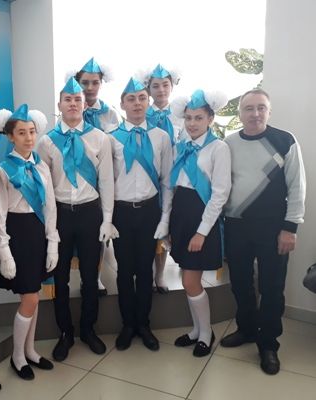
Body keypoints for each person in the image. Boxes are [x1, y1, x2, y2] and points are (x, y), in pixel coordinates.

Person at [220, 89, 306, 374]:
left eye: (261, 108)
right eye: (249, 108)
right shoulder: (228, 143)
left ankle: (268, 344)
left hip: (274, 227)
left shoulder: (285, 141)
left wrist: (290, 227)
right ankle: (246, 329)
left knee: (272, 287)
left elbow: (297, 186)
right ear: (240, 113)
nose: (255, 114)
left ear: (269, 111)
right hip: (236, 225)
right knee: (240, 283)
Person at [37, 77, 117, 361]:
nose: (72, 104)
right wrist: (48, 225)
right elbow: (44, 187)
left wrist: (107, 219)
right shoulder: (46, 141)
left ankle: (88, 329)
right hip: (60, 213)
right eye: (68, 99)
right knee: (59, 277)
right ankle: (65, 332)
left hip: (90, 212)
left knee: (90, 276)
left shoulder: (99, 138)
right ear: (59, 105)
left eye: (77, 100)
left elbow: (106, 181)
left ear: (84, 105)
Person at [0, 104, 59, 380]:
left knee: (35, 295)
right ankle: (17, 355)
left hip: (38, 232)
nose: (29, 138)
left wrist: (52, 242)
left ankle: (30, 350)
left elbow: (50, 206)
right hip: (17, 235)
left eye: (31, 131)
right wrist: (4, 252)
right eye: (21, 132)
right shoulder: (1, 170)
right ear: (10, 136)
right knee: (29, 297)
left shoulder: (41, 166)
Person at [110, 78, 173, 351]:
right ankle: (128, 325)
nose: (137, 103)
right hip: (121, 212)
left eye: (142, 98)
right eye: (131, 99)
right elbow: (105, 182)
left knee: (146, 269)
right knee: (124, 270)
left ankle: (144, 324)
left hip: (149, 211)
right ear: (122, 104)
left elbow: (167, 181)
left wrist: (165, 217)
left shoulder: (161, 137)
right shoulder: (111, 138)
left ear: (148, 102)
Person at [169, 90, 230, 357]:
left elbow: (220, 194)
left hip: (201, 217)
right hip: (181, 215)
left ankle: (206, 333)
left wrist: (202, 232)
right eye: (189, 118)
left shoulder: (218, 148)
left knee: (191, 280)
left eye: (199, 118)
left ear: (210, 119)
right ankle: (196, 330)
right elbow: (174, 185)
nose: (192, 123)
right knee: (187, 279)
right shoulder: (182, 145)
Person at [75, 57, 121, 296]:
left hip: (103, 175)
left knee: (101, 229)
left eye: (95, 82)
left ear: (101, 84)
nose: (90, 88)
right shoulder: (71, 108)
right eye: (85, 83)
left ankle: (96, 276)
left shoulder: (110, 113)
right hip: (79, 178)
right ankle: (86, 276)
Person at [144, 63, 183, 294]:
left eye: (165, 85)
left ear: (172, 87)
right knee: (150, 227)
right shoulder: (142, 114)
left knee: (166, 225)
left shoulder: (180, 116)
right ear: (148, 89)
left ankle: (160, 274)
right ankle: (147, 272)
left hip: (174, 179)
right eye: (156, 86)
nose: (161, 90)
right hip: (149, 179)